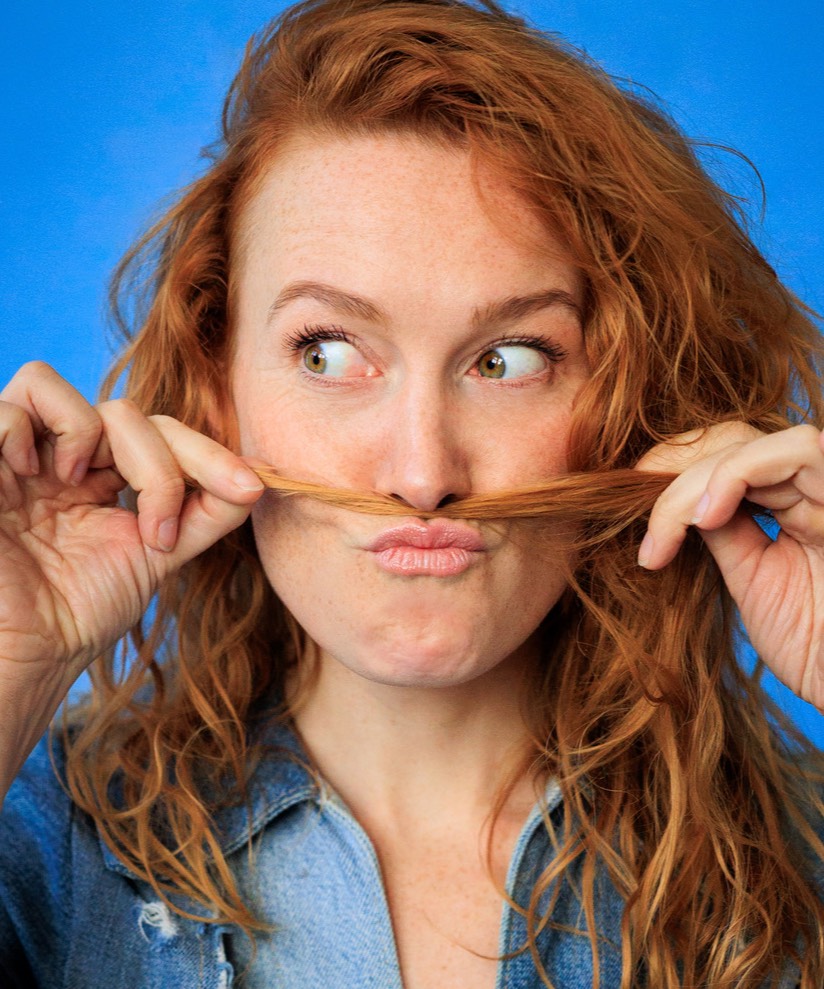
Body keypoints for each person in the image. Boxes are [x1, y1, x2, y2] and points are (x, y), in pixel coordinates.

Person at [1, 0, 823, 985]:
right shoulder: (48, 848)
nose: (423, 475)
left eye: (508, 358)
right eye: (328, 351)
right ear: (219, 389)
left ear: (625, 404)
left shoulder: (802, 852)